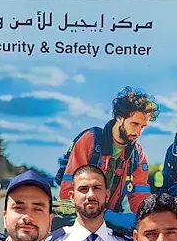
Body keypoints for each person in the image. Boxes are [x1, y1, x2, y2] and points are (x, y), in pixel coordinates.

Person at [57, 87, 159, 224]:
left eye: (143, 126)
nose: (138, 132)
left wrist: (146, 219)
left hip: (109, 221)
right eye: (134, 124)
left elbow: (140, 193)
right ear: (119, 118)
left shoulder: (137, 154)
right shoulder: (90, 141)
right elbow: (68, 192)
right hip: (78, 218)